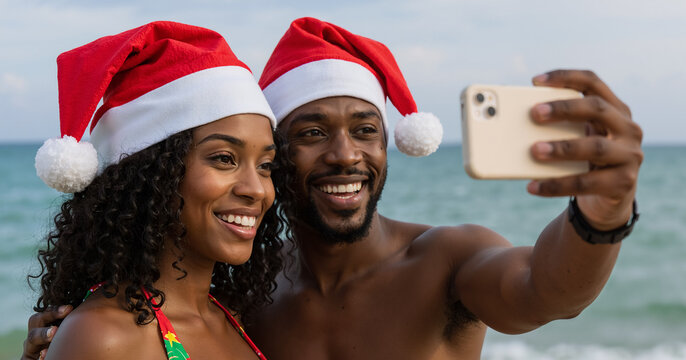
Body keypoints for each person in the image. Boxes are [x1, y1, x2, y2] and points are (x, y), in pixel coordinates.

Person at [23, 17, 643, 360]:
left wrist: (601, 213)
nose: (346, 154)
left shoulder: (447, 261)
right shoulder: (245, 299)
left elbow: (547, 291)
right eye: (312, 132)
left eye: (367, 130)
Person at [26, 21, 282, 360]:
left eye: (265, 165)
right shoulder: (104, 338)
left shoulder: (230, 318)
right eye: (224, 158)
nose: (257, 190)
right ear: (151, 175)